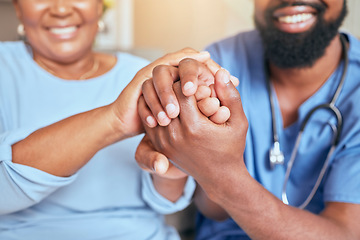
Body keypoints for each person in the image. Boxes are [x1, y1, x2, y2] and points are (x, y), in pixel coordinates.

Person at [0, 0, 232, 239]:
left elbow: (165, 203)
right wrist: (113, 120)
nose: (61, 9)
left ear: (100, 6)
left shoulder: (144, 73)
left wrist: (173, 169)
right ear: (18, 7)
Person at [136, 0, 360, 239]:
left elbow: (345, 233)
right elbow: (213, 210)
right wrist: (178, 155)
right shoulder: (221, 61)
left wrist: (220, 174)